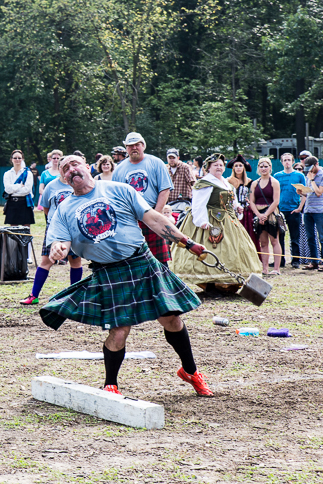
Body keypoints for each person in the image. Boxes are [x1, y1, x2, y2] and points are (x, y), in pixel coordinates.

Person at [41, 155, 213, 397]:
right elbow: (60, 241)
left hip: (141, 261)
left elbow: (153, 218)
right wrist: (58, 248)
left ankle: (191, 372)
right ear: (63, 177)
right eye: (65, 169)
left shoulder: (119, 189)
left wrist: (189, 243)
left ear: (87, 166)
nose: (71, 170)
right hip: (108, 271)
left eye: (74, 164)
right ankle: (111, 384)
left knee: (171, 319)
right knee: (119, 330)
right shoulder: (63, 209)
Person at [172, 154, 261, 294]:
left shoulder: (227, 183)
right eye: (215, 165)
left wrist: (237, 207)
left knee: (232, 249)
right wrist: (202, 222)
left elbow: (232, 200)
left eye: (221, 165)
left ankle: (228, 283)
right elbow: (198, 204)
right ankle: (211, 284)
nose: (219, 167)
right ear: (208, 168)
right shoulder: (205, 183)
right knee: (212, 249)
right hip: (210, 220)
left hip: (227, 220)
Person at [19, 167, 83, 305]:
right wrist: (55, 223)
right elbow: (46, 208)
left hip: (74, 228)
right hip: (55, 229)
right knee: (46, 261)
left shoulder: (78, 184)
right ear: (60, 170)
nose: (67, 171)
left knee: (75, 262)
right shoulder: (51, 185)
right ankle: (33, 295)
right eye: (64, 168)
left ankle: (74, 296)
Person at [113, 132, 174, 265]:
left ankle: (162, 284)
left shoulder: (156, 163)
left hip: (151, 211)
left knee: (159, 259)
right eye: (130, 145)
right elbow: (115, 197)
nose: (134, 148)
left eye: (137, 144)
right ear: (126, 148)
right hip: (130, 217)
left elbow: (164, 190)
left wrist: (156, 215)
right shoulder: (119, 169)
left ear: (143, 146)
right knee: (133, 257)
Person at [249, 158, 283, 276]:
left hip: (271, 214)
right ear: (258, 168)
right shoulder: (254, 183)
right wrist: (258, 215)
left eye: (265, 166)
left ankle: (276, 268)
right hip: (258, 214)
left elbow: (276, 201)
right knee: (263, 242)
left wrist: (266, 214)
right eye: (261, 166)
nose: (263, 168)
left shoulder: (274, 182)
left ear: (270, 167)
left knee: (274, 240)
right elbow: (251, 201)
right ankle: (265, 268)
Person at [274, 153, 307, 268]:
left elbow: (305, 193)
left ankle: (295, 260)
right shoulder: (277, 176)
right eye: (284, 160)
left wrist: (299, 208)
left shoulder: (299, 176)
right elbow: (274, 194)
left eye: (289, 160)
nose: (287, 162)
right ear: (281, 162)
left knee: (295, 237)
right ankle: (280, 260)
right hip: (280, 211)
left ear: (293, 161)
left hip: (294, 210)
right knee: (280, 237)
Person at [301, 156, 323, 272]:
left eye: (311, 167)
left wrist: (312, 180)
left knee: (322, 237)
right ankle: (314, 261)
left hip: (319, 211)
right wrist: (301, 192)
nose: (309, 170)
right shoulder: (308, 176)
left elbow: (319, 192)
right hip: (308, 210)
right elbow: (309, 193)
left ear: (316, 164)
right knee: (310, 238)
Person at [226, 155, 259, 252]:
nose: (238, 168)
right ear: (233, 168)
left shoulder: (249, 182)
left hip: (245, 212)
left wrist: (250, 200)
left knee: (247, 234)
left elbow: (253, 197)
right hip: (231, 211)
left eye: (240, 165)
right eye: (236, 166)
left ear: (244, 168)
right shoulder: (228, 181)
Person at [3, 149, 36, 228]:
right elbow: (7, 189)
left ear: (22, 159)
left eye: (19, 158)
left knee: (26, 230)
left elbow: (27, 190)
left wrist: (13, 189)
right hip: (12, 203)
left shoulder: (28, 173)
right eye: (15, 158)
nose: (17, 160)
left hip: (25, 203)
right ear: (11, 159)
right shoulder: (7, 174)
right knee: (13, 231)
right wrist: (20, 186)